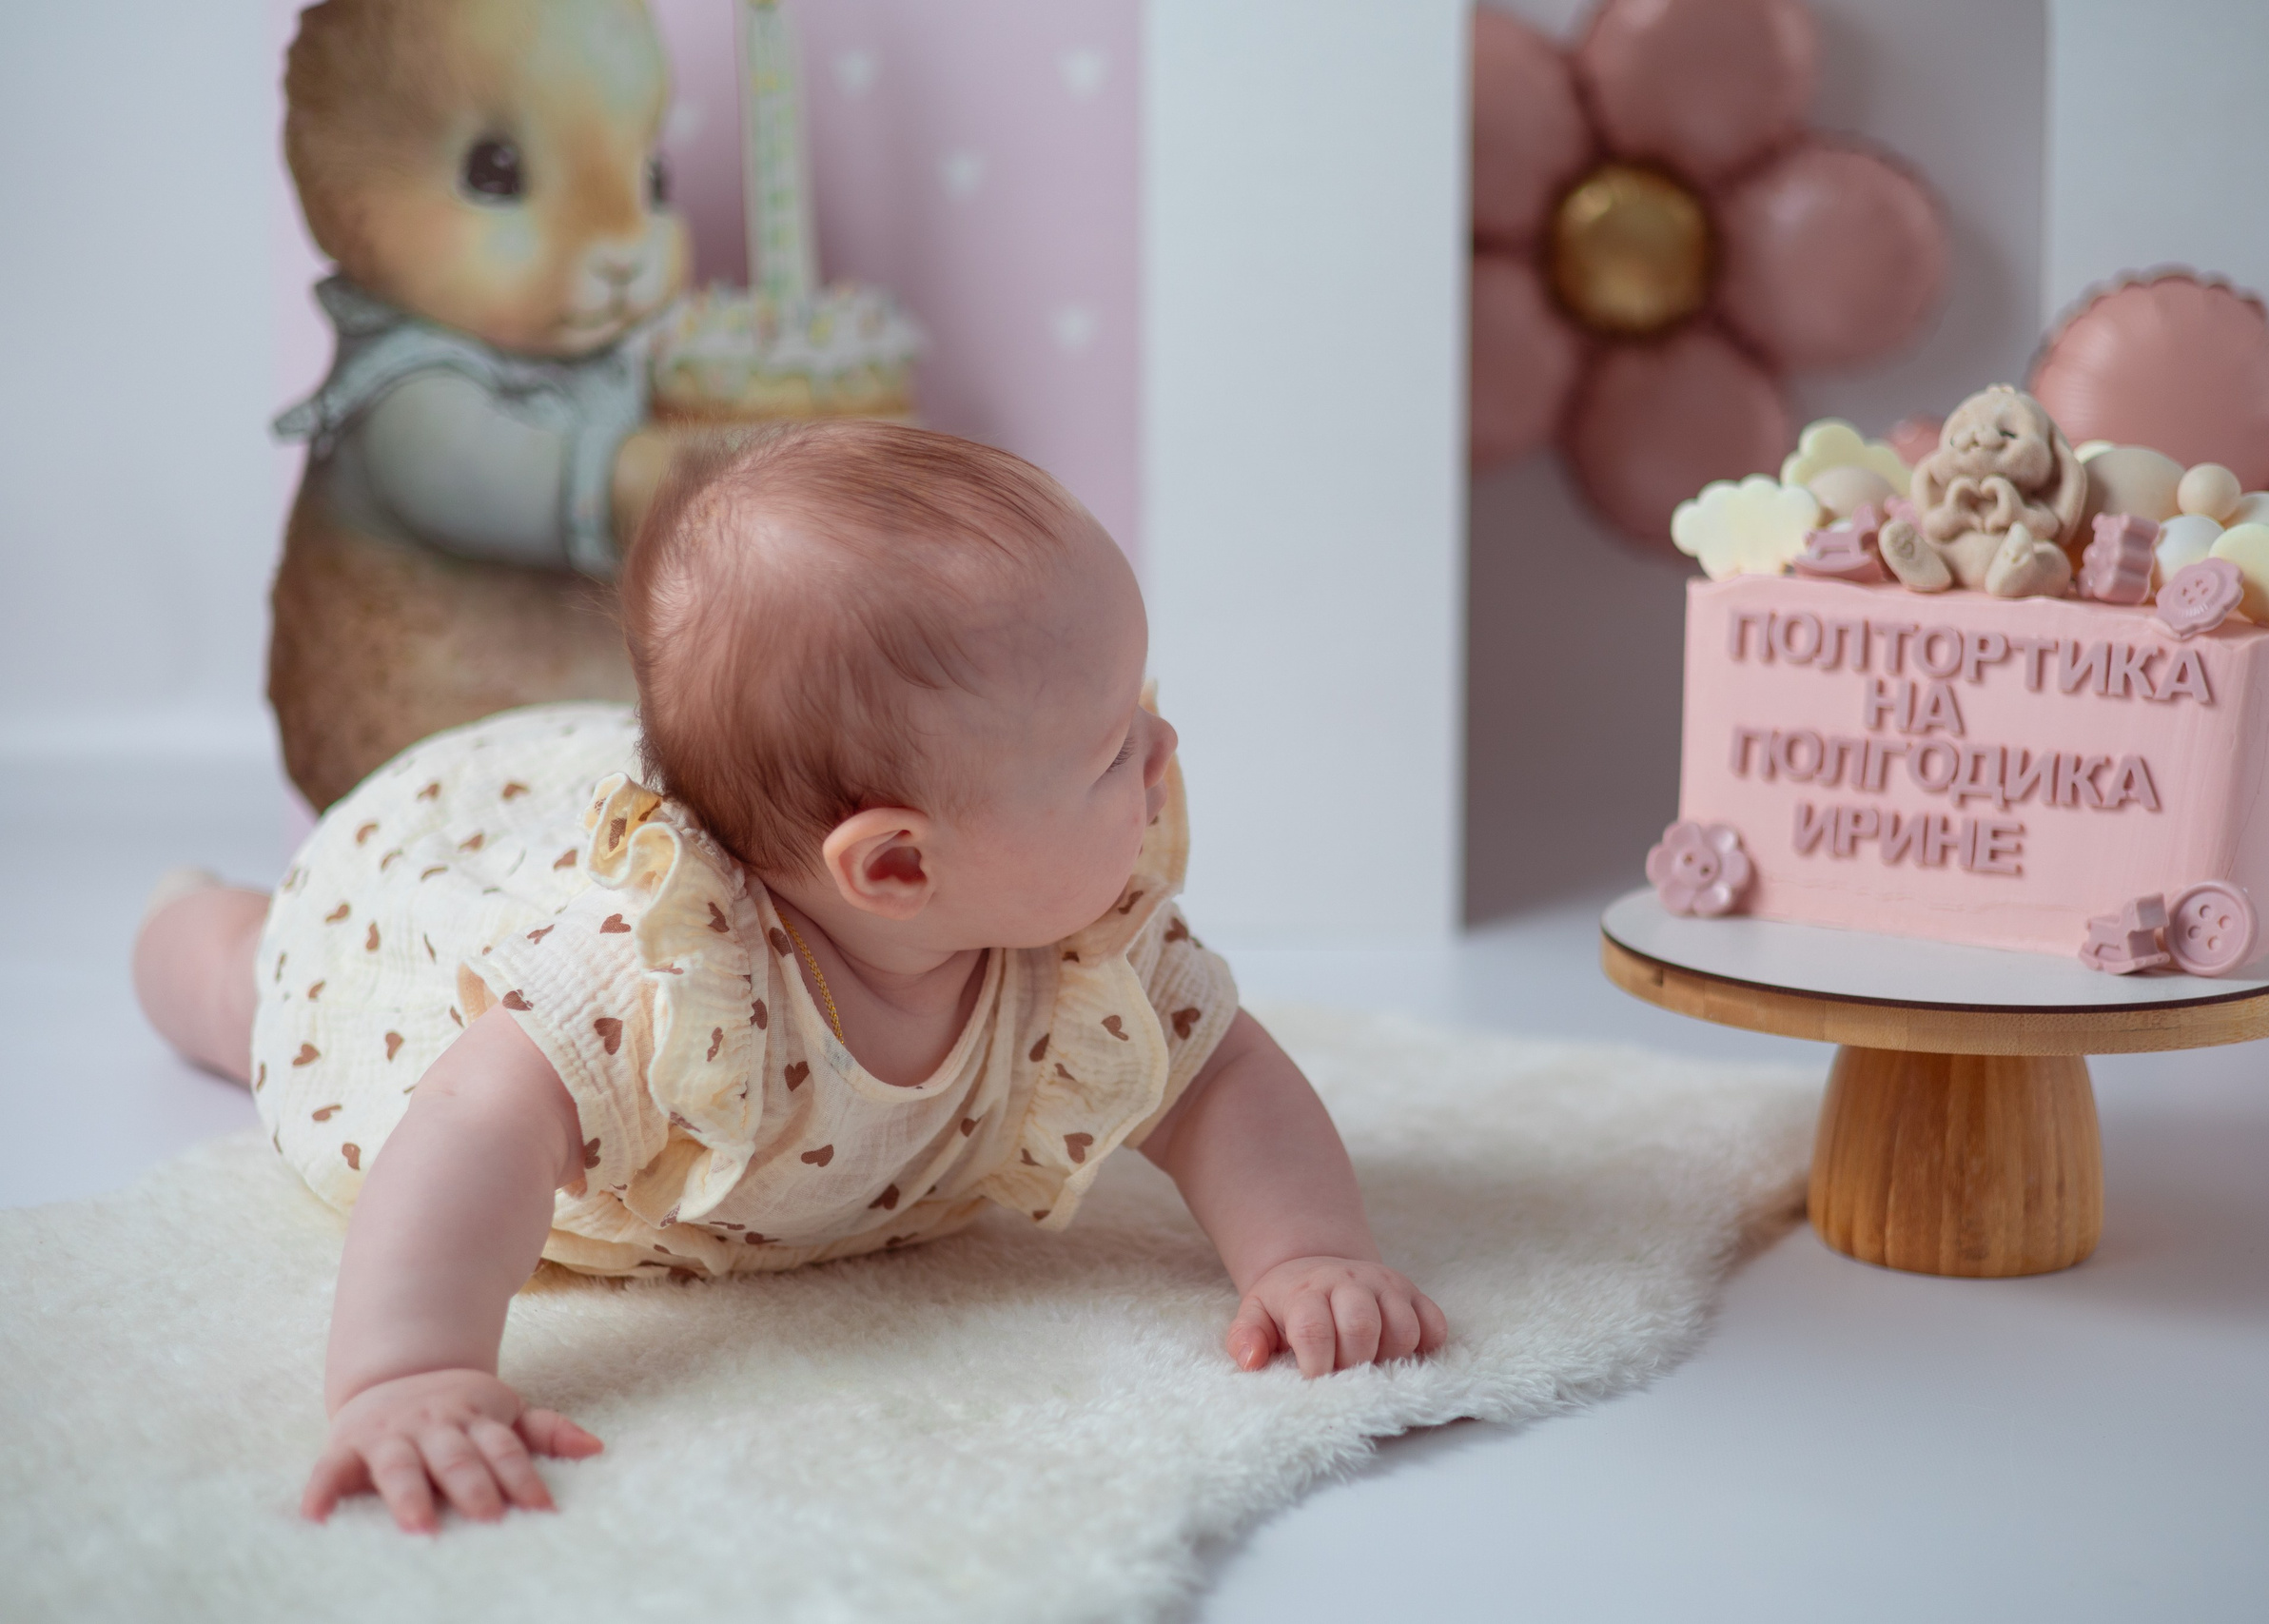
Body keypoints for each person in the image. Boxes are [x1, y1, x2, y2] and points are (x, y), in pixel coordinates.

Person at [132, 422, 1445, 1534]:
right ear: (892, 868)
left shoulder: (1081, 940)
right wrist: (407, 1372)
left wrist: (1309, 1255)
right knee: (275, 989)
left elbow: (1223, 1081)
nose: (1162, 748)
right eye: (1112, 750)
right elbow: (475, 1119)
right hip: (428, 935)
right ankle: (187, 931)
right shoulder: (646, 984)